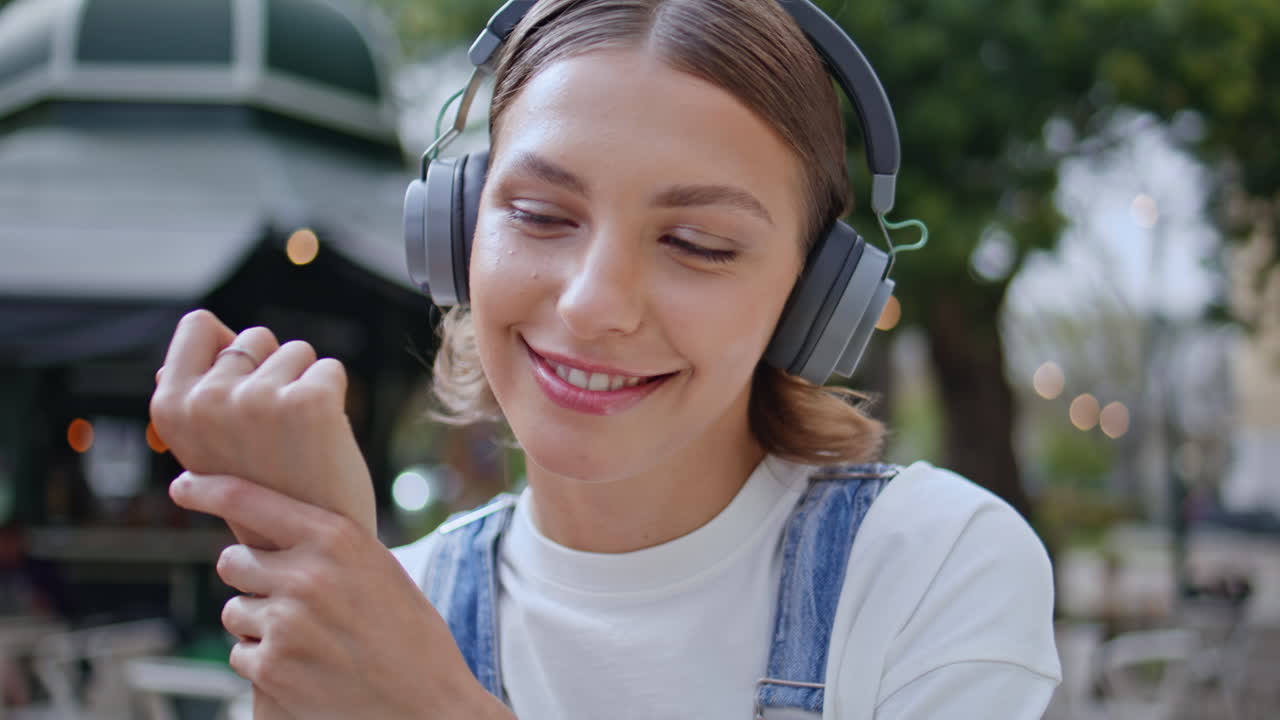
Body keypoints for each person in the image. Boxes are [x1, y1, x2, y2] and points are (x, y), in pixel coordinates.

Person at [150, 0, 1061, 718]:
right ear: (458, 230)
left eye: (698, 243)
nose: (592, 304)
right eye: (540, 216)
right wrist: (313, 549)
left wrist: (431, 705)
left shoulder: (931, 568)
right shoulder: (392, 599)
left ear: (816, 297)